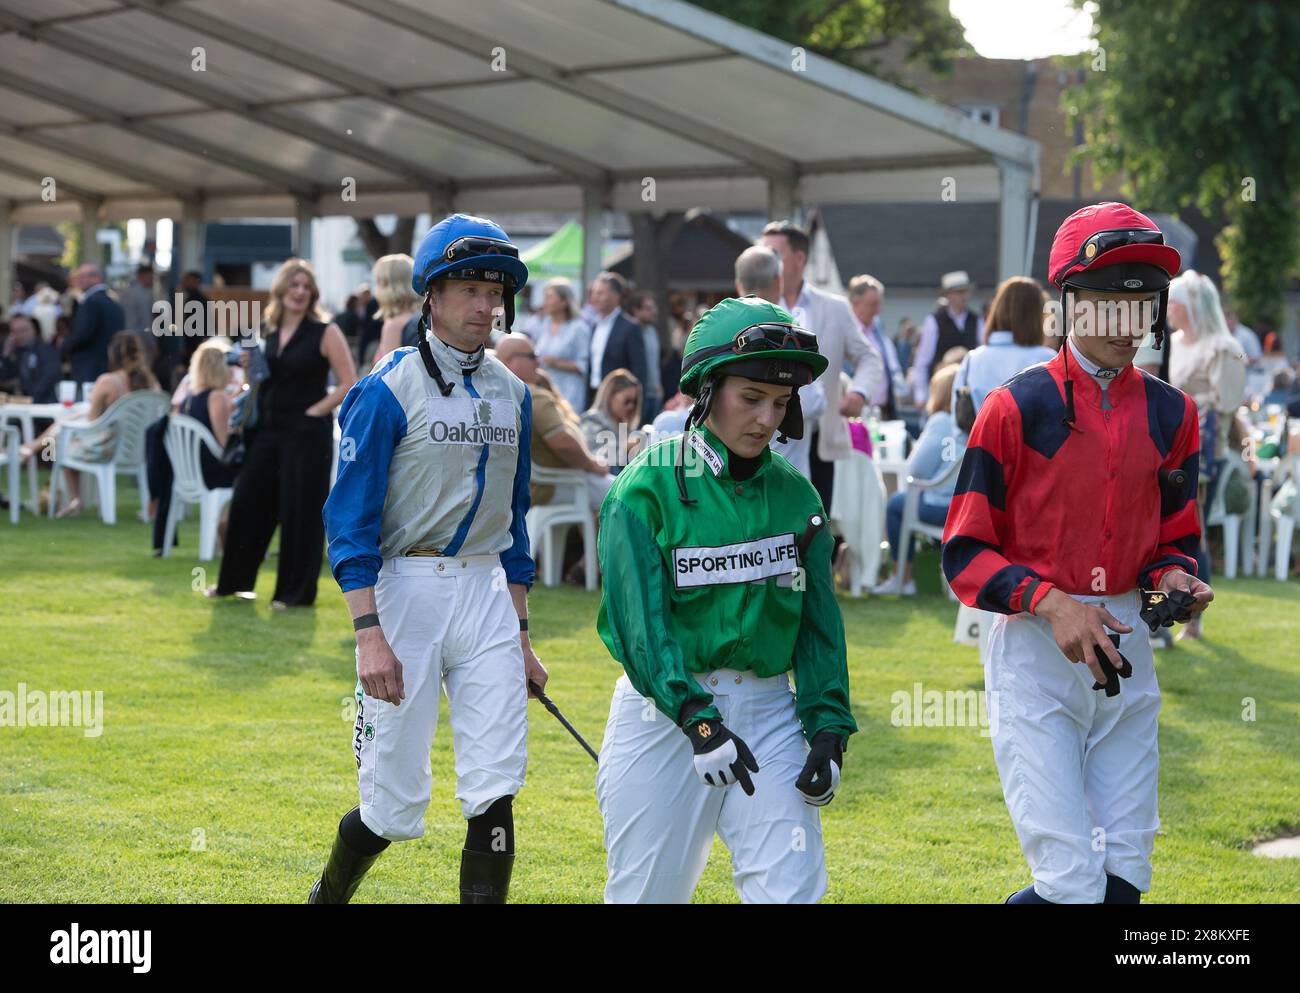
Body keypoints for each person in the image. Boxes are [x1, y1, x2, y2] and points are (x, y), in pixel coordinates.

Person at [943, 202, 1214, 904]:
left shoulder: (1173, 413)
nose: (1132, 325)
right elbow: (964, 551)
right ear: (1068, 304)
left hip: (1128, 654)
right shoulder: (1012, 409)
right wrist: (1052, 601)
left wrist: (1174, 581)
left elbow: (1172, 540)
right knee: (1069, 881)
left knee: (1126, 874)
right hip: (1037, 652)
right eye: (1111, 305)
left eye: (1144, 305)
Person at [310, 213, 545, 905]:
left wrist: (522, 634)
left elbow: (516, 521)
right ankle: (326, 897)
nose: (485, 305)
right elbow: (346, 521)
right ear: (431, 295)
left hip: (487, 595)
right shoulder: (384, 388)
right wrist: (367, 633)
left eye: (495, 290)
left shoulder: (515, 391)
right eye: (469, 287)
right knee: (391, 808)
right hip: (404, 590)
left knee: (496, 783)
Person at [595, 296, 857, 904]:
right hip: (663, 715)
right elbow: (640, 629)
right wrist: (696, 718)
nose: (767, 419)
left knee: (791, 892)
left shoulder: (799, 499)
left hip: (768, 713)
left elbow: (820, 628)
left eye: (781, 402)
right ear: (708, 391)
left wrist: (827, 729)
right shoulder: (642, 490)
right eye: (751, 398)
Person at [207, 258, 356, 607]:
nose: (300, 292)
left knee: (300, 512)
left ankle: (294, 594)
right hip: (267, 430)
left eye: (306, 287)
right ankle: (233, 584)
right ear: (281, 289)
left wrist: (316, 410)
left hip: (307, 433)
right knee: (247, 504)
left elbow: (349, 382)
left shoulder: (325, 331)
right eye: (294, 285)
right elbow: (259, 380)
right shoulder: (266, 330)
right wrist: (248, 371)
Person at [761, 221, 883, 516]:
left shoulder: (834, 307)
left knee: (815, 526)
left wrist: (859, 392)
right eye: (762, 253)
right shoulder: (755, 305)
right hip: (764, 436)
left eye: (774, 253)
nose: (767, 262)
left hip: (819, 441)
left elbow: (869, 357)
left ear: (799, 258)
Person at [1166, 270, 1247, 639]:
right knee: (1173, 528)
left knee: (1191, 530)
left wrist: (1190, 406)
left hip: (1203, 450)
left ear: (1191, 307)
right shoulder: (1179, 341)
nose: (1169, 309)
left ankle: (1194, 616)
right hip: (1175, 443)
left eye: (1176, 303)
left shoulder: (1222, 347)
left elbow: (1228, 403)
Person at [25, 330, 161, 518]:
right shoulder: (152, 383)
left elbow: (92, 420)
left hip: (108, 449)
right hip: (141, 451)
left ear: (112, 354)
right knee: (66, 425)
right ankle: (32, 448)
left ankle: (75, 499)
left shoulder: (108, 381)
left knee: (62, 445)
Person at [874, 363, 966, 595]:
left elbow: (916, 469)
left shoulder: (942, 422)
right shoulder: (969, 421)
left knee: (896, 504)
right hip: (965, 505)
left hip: (942, 507)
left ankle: (902, 578)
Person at [734, 244, 825, 479]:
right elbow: (814, 402)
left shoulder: (716, 332)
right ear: (778, 282)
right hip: (783, 477)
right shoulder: (791, 336)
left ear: (738, 283)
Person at [495, 333, 613, 509]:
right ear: (508, 360)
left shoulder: (498, 395)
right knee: (627, 495)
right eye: (531, 356)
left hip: (528, 487)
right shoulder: (532, 395)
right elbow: (562, 442)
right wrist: (593, 465)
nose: (538, 362)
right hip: (555, 484)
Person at [950, 276, 1056, 415]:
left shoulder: (972, 359)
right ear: (1036, 314)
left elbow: (959, 422)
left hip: (980, 436)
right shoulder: (1048, 359)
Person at [911, 270, 983, 407]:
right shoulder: (934, 321)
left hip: (968, 392)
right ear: (949, 295)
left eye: (966, 291)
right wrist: (921, 395)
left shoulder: (977, 321)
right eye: (959, 292)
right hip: (941, 392)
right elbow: (923, 360)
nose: (965, 296)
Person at [585, 271, 646, 406]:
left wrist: (632, 401)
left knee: (621, 428)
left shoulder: (630, 327)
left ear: (616, 295)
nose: (595, 297)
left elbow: (639, 370)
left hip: (619, 399)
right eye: (594, 293)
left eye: (600, 293)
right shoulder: (593, 325)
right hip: (594, 395)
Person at [530, 277, 590, 414]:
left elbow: (583, 366)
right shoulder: (544, 325)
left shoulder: (578, 328)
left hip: (569, 393)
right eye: (545, 297)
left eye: (550, 297)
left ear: (564, 302)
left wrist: (557, 363)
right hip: (545, 391)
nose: (545, 302)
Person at [847, 274, 902, 420]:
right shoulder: (846, 330)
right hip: (857, 414)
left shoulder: (877, 326)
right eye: (872, 304)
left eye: (879, 303)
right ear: (855, 303)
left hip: (883, 412)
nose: (878, 310)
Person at [62, 263, 124, 384]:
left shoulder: (90, 303)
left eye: (83, 276)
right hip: (108, 366)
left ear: (97, 278)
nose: (79, 280)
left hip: (89, 369)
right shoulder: (113, 304)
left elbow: (83, 334)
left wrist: (65, 345)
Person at [581, 369, 645, 475]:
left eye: (635, 402)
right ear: (610, 397)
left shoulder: (625, 426)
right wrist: (626, 447)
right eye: (627, 401)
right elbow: (598, 457)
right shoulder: (592, 420)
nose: (631, 406)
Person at [369, 255, 423, 367]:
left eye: (378, 281)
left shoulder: (394, 325)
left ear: (387, 285)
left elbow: (389, 377)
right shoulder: (423, 317)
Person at [0, 313, 60, 403]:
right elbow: (3, 377)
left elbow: (47, 380)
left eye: (22, 331)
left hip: (46, 403)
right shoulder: (16, 351)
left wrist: (30, 399)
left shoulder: (46, 350)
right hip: (24, 403)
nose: (19, 335)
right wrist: (5, 355)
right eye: (14, 332)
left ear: (33, 330)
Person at [626, 290, 664, 423]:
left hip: (654, 394)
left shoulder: (652, 331)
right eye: (648, 308)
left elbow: (654, 362)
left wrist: (659, 387)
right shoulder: (628, 332)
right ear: (636, 310)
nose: (654, 311)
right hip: (635, 396)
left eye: (654, 307)